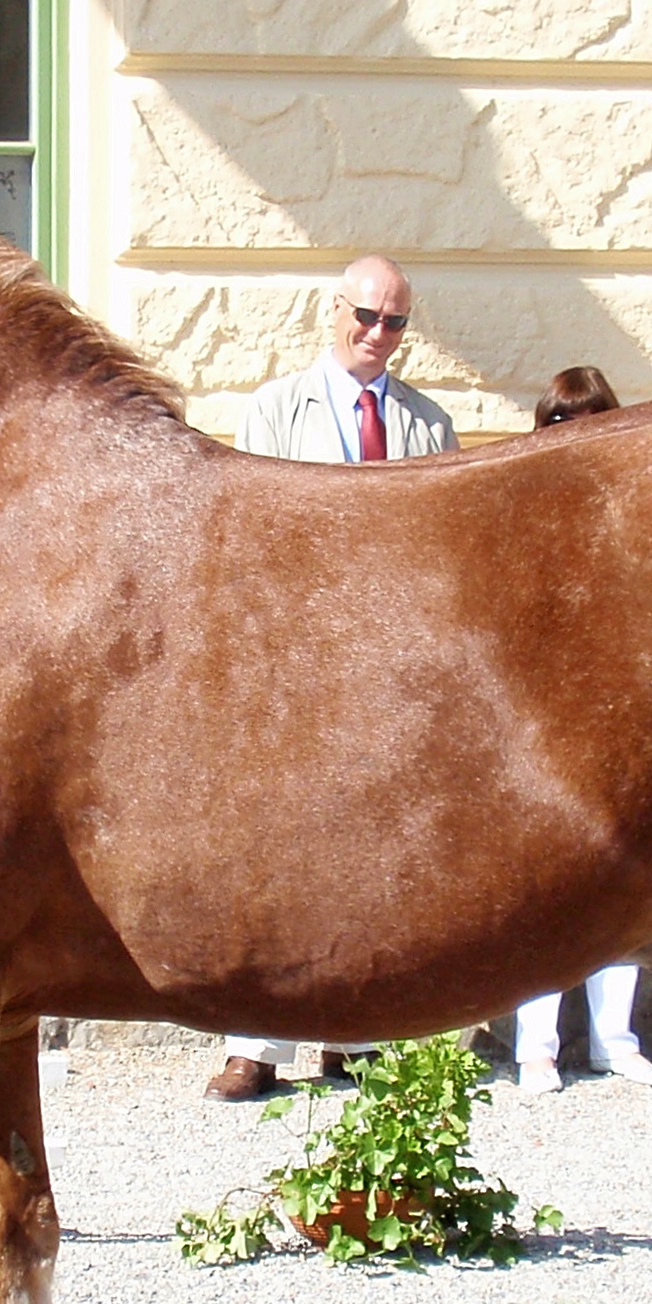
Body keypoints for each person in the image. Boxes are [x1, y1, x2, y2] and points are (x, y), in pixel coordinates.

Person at [203, 255, 457, 1104]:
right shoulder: (275, 410)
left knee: (382, 855)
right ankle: (258, 1044)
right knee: (279, 852)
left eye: (393, 323)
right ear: (332, 310)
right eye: (364, 316)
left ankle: (361, 1032)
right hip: (299, 664)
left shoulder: (428, 425)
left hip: (392, 670)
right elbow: (248, 539)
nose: (376, 335)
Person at [505, 368, 652, 1091]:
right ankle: (534, 1046)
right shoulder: (517, 513)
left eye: (591, 420)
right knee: (541, 887)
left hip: (616, 717)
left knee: (619, 884)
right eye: (560, 422)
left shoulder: (638, 511)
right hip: (539, 721)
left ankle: (614, 1038)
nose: (575, 436)